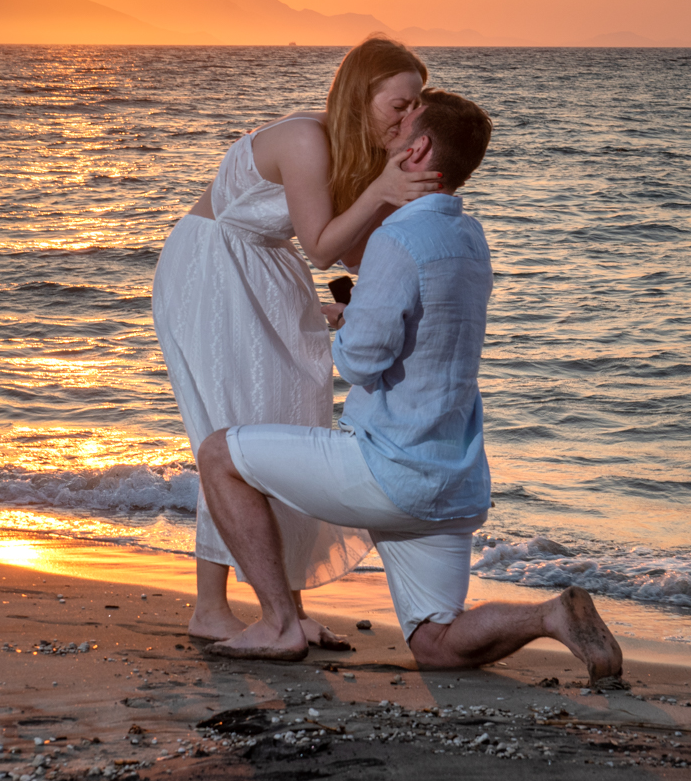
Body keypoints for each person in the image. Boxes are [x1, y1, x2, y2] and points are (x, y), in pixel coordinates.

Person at [195, 89, 625, 683]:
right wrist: (360, 312)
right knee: (436, 644)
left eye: (402, 127)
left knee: (219, 454)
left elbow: (361, 363)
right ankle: (550, 616)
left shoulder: (397, 238)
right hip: (452, 482)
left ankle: (278, 622)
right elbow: (427, 328)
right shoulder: (470, 237)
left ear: (418, 150)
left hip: (388, 471)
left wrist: (344, 328)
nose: (389, 133)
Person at [152, 37, 442, 645]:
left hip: (267, 270)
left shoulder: (359, 151)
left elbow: (354, 250)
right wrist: (382, 188)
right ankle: (211, 607)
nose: (407, 118)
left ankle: (291, 609)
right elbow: (320, 246)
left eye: (416, 106)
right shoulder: (306, 138)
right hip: (212, 270)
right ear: (359, 95)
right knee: (231, 429)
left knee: (291, 426)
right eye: (399, 105)